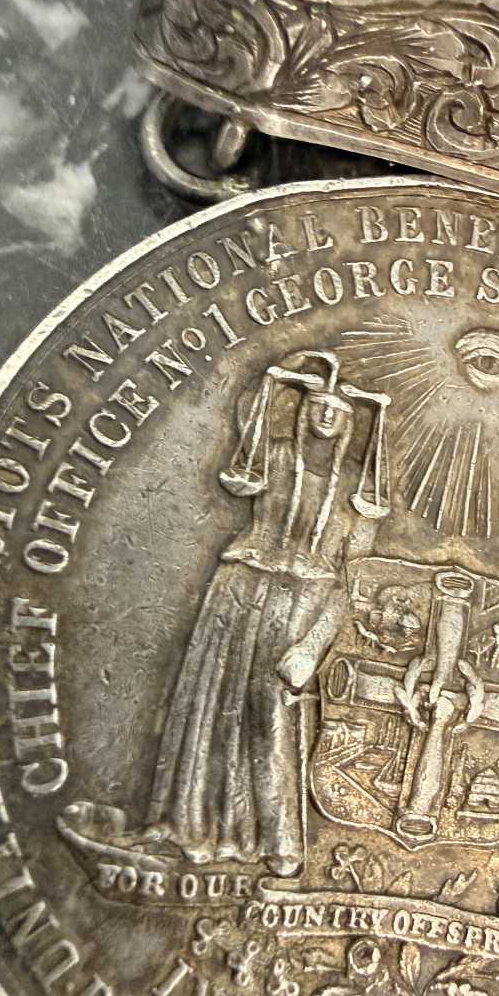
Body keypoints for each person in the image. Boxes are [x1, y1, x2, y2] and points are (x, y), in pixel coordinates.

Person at [148, 352, 387, 876]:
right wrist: (277, 377)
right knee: (214, 707)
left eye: (337, 408)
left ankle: (280, 843)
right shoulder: (274, 457)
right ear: (302, 408)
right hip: (240, 592)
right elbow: (243, 447)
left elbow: (354, 581)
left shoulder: (357, 490)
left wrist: (313, 647)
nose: (326, 413)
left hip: (303, 603)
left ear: (350, 420)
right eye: (317, 403)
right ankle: (196, 827)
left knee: (271, 713)